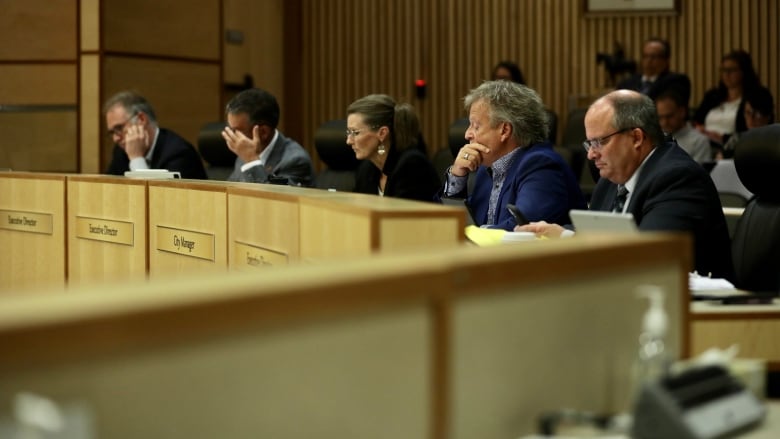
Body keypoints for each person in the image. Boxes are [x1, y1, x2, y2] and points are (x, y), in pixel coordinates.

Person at [518, 90, 733, 280]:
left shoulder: (677, 179)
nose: (591, 155)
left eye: (599, 142)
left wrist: (570, 239)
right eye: (589, 143)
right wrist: (555, 235)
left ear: (636, 137)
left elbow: (648, 257)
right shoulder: (611, 180)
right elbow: (606, 237)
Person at [441, 80, 586, 231]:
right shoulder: (486, 170)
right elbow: (452, 222)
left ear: (504, 130)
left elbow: (522, 228)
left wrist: (471, 234)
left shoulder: (541, 166)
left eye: (476, 126)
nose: (467, 134)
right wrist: (457, 176)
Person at [346, 94, 440, 201]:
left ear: (382, 133)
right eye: (348, 132)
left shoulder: (411, 166)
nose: (348, 141)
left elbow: (404, 216)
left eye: (355, 132)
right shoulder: (366, 170)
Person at [104, 91, 207, 179]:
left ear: (141, 120)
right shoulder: (121, 152)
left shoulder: (179, 153)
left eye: (119, 128)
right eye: (112, 133)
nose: (115, 138)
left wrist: (136, 159)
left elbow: (158, 199)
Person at [222, 88, 314, 186]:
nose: (231, 136)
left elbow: (274, 198)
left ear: (263, 132)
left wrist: (251, 160)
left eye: (236, 131)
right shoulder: (242, 156)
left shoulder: (295, 160)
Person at [693, 50, 773, 147]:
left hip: (734, 148)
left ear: (744, 71)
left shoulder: (756, 97)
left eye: (732, 70)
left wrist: (722, 138)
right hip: (704, 144)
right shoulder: (712, 96)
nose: (726, 74)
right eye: (724, 70)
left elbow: (753, 129)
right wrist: (700, 129)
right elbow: (696, 120)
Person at [615, 37, 691, 103]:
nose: (648, 61)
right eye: (645, 56)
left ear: (666, 61)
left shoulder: (677, 81)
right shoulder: (626, 84)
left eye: (653, 57)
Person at [655, 90, 712, 163]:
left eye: (669, 116)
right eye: (660, 117)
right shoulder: (654, 141)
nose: (664, 122)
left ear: (682, 112)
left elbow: (698, 174)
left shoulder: (699, 142)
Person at [720, 90, 775, 159]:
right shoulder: (737, 139)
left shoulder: (775, 141)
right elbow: (720, 161)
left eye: (757, 113)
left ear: (768, 116)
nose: (751, 119)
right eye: (748, 113)